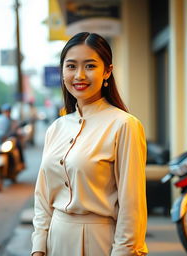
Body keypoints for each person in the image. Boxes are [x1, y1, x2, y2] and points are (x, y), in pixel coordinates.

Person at [31, 32, 148, 256]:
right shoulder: (56, 128)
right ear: (63, 71)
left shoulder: (124, 125)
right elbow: (42, 197)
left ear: (107, 71)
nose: (79, 75)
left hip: (99, 243)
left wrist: (124, 252)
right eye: (71, 66)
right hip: (56, 241)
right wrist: (38, 247)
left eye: (90, 66)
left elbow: (132, 204)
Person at [0, 103, 25, 167]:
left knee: (18, 145)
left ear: (10, 112)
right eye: (5, 111)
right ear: (3, 112)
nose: (7, 113)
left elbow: (18, 128)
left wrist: (18, 132)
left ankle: (21, 163)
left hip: (9, 139)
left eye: (8, 111)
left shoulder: (13, 120)